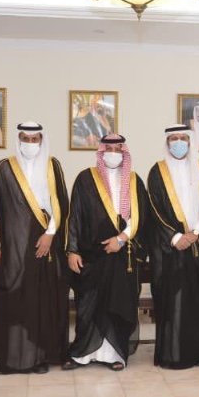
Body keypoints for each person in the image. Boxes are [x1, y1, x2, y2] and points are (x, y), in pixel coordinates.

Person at [0, 122, 70, 375]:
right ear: (18, 139)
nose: (30, 144)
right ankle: (10, 360)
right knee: (12, 300)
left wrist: (50, 234)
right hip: (12, 245)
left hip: (45, 242)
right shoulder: (4, 167)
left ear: (42, 141)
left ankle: (39, 358)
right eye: (25, 138)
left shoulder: (53, 165)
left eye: (35, 139)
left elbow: (61, 203)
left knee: (40, 300)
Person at [64, 134, 149, 371]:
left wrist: (121, 240)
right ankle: (83, 354)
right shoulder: (85, 178)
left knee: (118, 304)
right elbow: (74, 216)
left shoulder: (134, 181)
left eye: (118, 149)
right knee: (87, 306)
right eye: (108, 149)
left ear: (124, 153)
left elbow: (141, 217)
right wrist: (72, 250)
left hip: (122, 255)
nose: (113, 153)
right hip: (91, 255)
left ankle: (115, 355)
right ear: (101, 152)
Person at [146, 124, 199, 369]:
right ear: (167, 143)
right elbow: (154, 209)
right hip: (172, 248)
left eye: (183, 138)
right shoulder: (157, 171)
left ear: (190, 142)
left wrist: (197, 232)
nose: (179, 143)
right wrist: (176, 236)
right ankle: (176, 355)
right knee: (176, 302)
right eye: (174, 138)